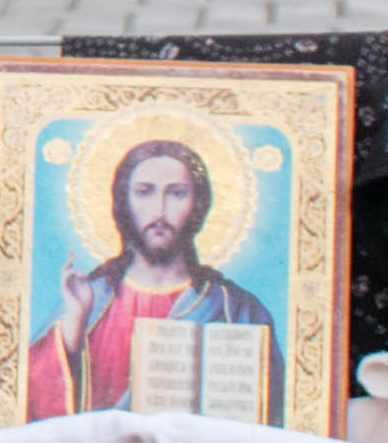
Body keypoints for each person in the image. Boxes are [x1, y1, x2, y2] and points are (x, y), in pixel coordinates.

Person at [23, 136, 283, 420]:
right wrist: (73, 327)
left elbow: (273, 419)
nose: (160, 211)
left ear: (198, 205)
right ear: (124, 203)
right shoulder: (88, 302)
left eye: (177, 193)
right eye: (145, 192)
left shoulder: (237, 310)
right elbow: (27, 411)